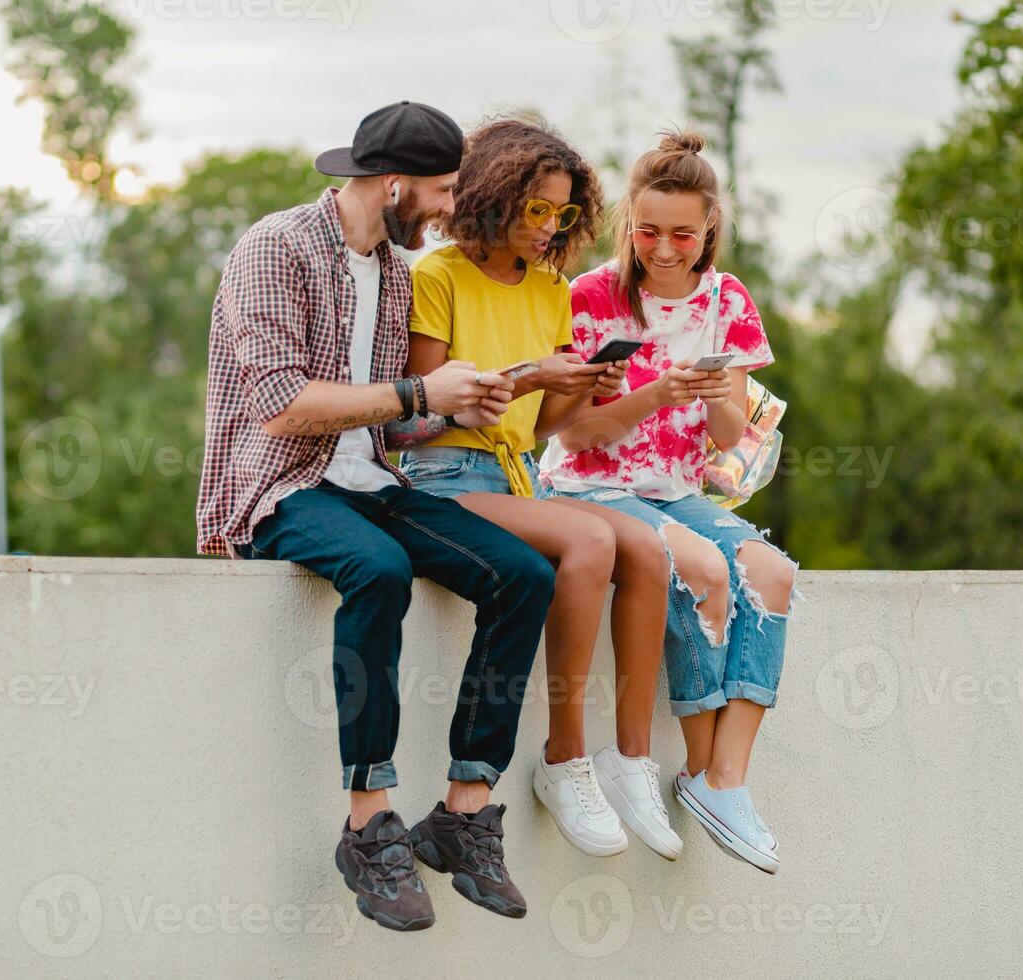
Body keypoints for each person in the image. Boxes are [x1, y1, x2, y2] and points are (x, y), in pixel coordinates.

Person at [196, 101, 556, 931]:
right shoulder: (273, 250)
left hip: (369, 478)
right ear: (392, 183)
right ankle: (368, 823)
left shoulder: (393, 271)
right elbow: (284, 406)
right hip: (276, 487)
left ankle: (463, 811)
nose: (449, 209)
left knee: (523, 574)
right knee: (380, 571)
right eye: (441, 190)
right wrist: (419, 392)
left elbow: (390, 418)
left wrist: (468, 399)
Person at [386, 117, 684, 863]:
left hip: (515, 478)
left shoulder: (551, 288)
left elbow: (544, 425)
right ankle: (564, 758)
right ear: (491, 197)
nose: (551, 228)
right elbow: (410, 420)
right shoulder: (437, 276)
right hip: (441, 481)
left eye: (561, 213)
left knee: (642, 546)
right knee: (587, 538)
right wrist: (521, 378)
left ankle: (631, 760)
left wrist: (586, 385)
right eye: (536, 211)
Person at [540, 130, 798, 875]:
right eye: (647, 231)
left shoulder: (728, 301)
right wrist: (654, 393)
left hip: (680, 489)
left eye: (683, 233)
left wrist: (722, 397)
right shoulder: (590, 299)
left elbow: (731, 442)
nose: (664, 248)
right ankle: (691, 766)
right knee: (703, 572)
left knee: (772, 573)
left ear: (709, 226)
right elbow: (573, 432)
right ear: (628, 222)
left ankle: (724, 782)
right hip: (593, 484)